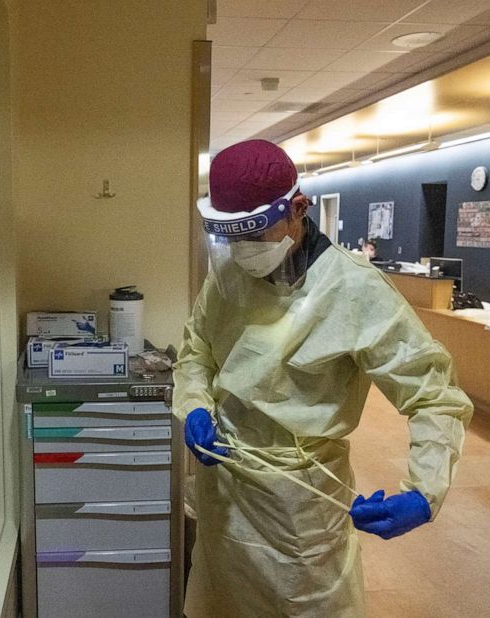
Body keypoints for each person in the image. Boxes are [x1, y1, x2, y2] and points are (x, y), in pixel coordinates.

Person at [174, 139, 473, 617]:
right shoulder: (228, 276)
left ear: (298, 209)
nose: (243, 253)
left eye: (255, 235)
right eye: (232, 239)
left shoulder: (353, 289)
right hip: (225, 491)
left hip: (301, 507)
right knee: (220, 604)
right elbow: (197, 352)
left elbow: (433, 395)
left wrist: (424, 491)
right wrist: (194, 405)